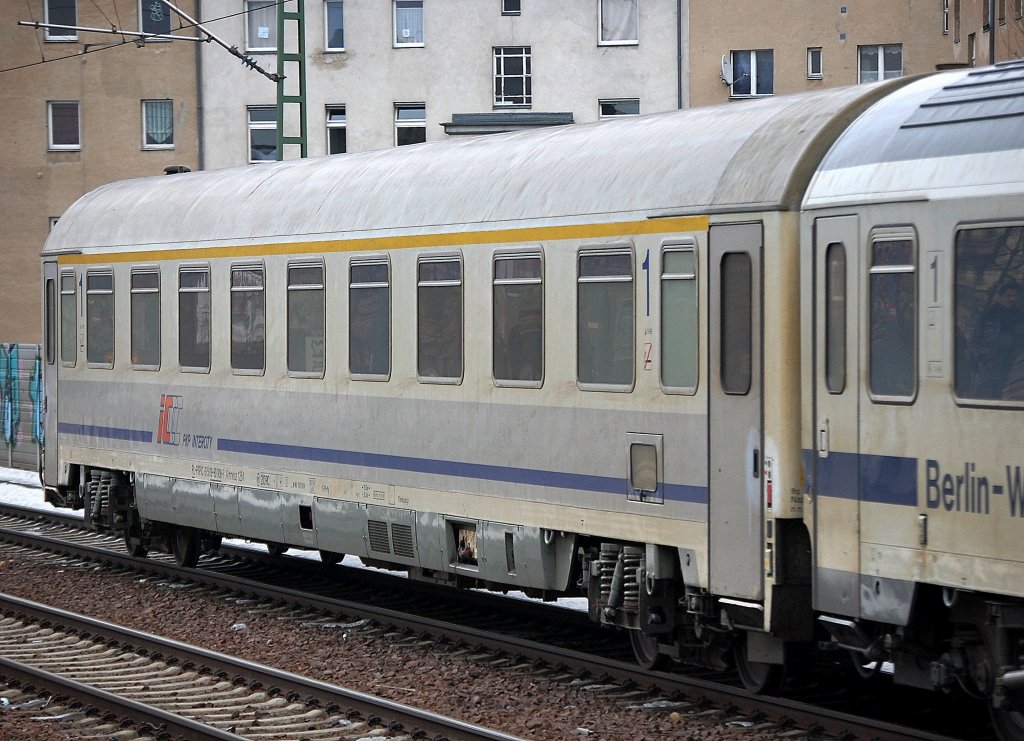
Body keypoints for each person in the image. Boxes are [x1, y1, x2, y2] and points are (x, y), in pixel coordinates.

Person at [970, 281, 1024, 399]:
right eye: (1008, 296)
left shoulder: (1020, 317)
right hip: (989, 367)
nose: (1012, 299)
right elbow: (974, 341)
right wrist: (983, 357)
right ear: (998, 296)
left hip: (1013, 367)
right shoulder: (986, 317)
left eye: (1014, 296)